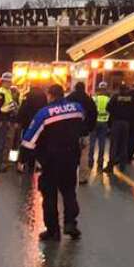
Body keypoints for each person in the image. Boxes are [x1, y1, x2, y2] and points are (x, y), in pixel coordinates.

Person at [22, 84, 86, 241]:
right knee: (69, 191)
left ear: (50, 95)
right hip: (71, 158)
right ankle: (71, 223)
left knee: (49, 195)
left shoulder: (44, 114)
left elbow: (29, 140)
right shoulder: (77, 108)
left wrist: (24, 158)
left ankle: (53, 231)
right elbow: (83, 124)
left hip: (51, 160)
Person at [107, 82, 134, 170]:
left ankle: (111, 164)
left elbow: (108, 108)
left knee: (114, 144)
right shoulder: (130, 98)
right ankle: (123, 165)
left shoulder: (115, 97)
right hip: (126, 123)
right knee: (124, 144)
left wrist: (114, 114)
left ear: (119, 89)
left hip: (116, 122)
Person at [67, 81, 96, 184]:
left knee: (69, 154)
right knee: (84, 155)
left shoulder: (69, 99)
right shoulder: (88, 100)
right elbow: (94, 114)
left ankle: (68, 176)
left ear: (75, 88)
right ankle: (82, 178)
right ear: (84, 88)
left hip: (71, 132)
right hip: (84, 132)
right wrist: (90, 128)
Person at [16, 87, 47, 173]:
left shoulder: (27, 97)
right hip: (40, 125)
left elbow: (22, 110)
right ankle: (36, 164)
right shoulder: (43, 97)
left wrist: (18, 121)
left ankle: (21, 164)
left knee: (26, 143)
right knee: (39, 144)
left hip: (28, 125)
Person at [0, 72, 17, 172]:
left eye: (10, 82)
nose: (10, 83)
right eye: (8, 82)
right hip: (1, 121)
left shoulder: (7, 91)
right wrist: (0, 121)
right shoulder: (1, 93)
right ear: (4, 82)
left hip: (5, 120)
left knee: (3, 143)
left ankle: (0, 164)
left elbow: (8, 107)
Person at [88, 82, 111, 170]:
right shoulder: (108, 100)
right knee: (102, 143)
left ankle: (90, 161)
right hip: (104, 123)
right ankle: (100, 161)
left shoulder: (94, 99)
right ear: (105, 89)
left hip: (95, 123)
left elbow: (91, 111)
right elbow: (110, 111)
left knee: (92, 143)